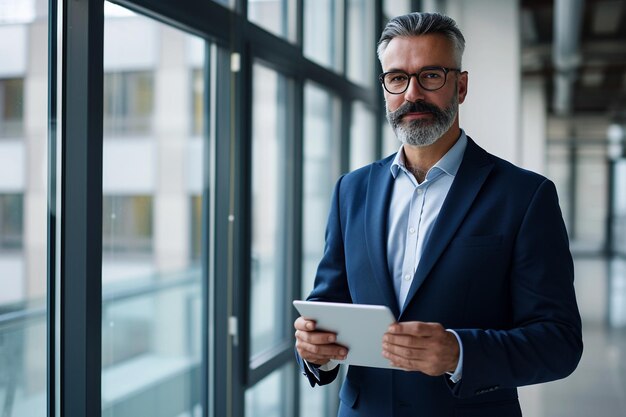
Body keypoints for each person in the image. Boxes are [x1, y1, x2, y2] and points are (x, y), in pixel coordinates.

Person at [293, 11, 583, 417]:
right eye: (397, 78)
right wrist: (315, 351)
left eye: (430, 76)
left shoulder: (525, 195)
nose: (412, 93)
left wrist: (459, 352)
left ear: (460, 86)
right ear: (385, 87)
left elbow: (559, 342)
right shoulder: (351, 190)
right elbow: (330, 301)